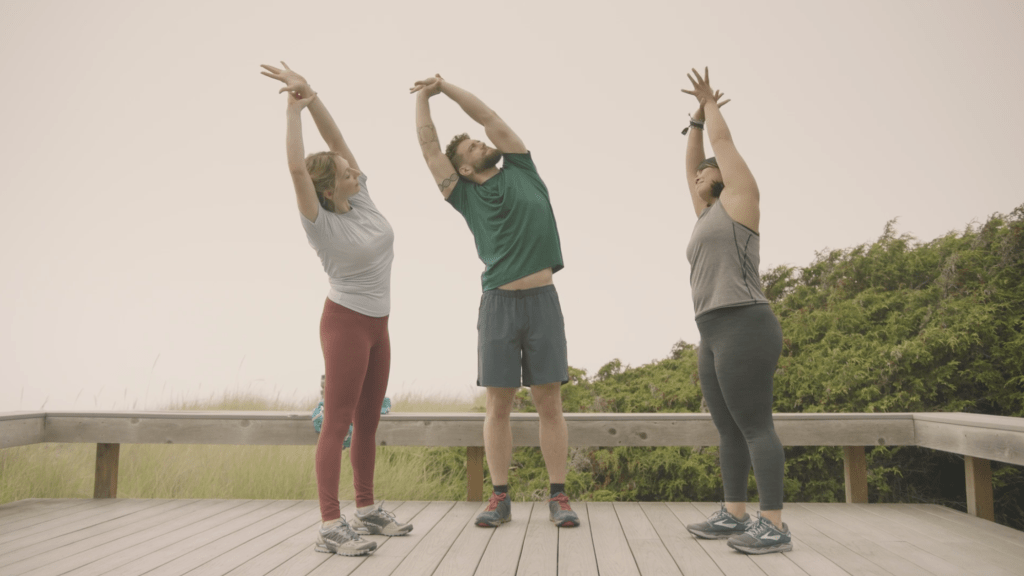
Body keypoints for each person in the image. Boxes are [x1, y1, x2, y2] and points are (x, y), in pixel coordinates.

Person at [410, 74, 580, 529]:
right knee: (498, 407)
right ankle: (499, 497)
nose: (483, 143)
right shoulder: (463, 194)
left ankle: (558, 497)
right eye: (472, 149)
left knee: (549, 403)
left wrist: (445, 86)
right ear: (463, 168)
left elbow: (488, 116)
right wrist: (424, 100)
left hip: (543, 301)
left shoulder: (522, 167)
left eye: (478, 143)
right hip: (498, 305)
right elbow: (429, 149)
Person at [261, 62, 412, 556]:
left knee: (370, 421)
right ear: (329, 188)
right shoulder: (319, 224)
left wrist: (312, 94)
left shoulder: (362, 199)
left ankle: (366, 510)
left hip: (379, 325)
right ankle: (330, 524)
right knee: (339, 423)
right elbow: (296, 168)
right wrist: (292, 112)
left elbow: (337, 138)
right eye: (346, 172)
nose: (355, 170)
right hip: (345, 324)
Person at [680, 67, 792, 554]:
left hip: (746, 322)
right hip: (711, 330)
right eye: (701, 169)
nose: (701, 172)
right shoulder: (706, 214)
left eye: (710, 168)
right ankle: (734, 512)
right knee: (726, 427)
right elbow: (690, 168)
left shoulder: (741, 201)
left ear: (726, 177)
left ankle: (774, 524)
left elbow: (723, 146)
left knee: (754, 425)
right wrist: (693, 126)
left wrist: (710, 107)